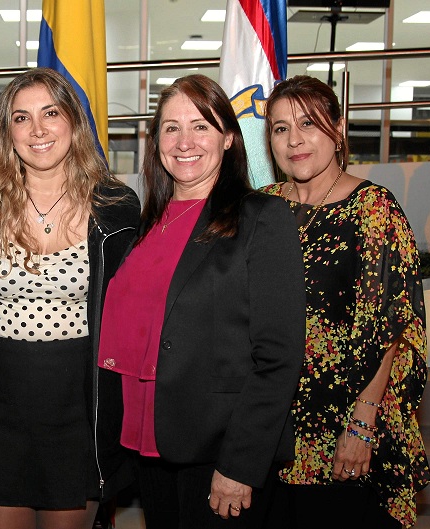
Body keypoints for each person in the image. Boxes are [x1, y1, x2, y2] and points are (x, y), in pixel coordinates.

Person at [97, 74, 306, 528]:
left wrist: (239, 465)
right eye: (171, 127)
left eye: (201, 126)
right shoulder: (146, 224)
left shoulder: (262, 220)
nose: (184, 141)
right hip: (147, 445)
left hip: (217, 453)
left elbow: (279, 356)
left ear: (229, 138)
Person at [0, 67, 140, 529]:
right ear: (6, 132)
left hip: (80, 416)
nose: (37, 130)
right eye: (21, 118)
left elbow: (131, 317)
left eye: (50, 113)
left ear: (73, 121)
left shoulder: (117, 208)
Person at [262, 75, 430, 528]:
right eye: (280, 128)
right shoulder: (262, 207)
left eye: (307, 123)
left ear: (337, 129)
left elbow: (390, 327)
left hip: (342, 424)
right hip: (270, 423)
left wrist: (362, 425)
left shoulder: (373, 207)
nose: (294, 139)